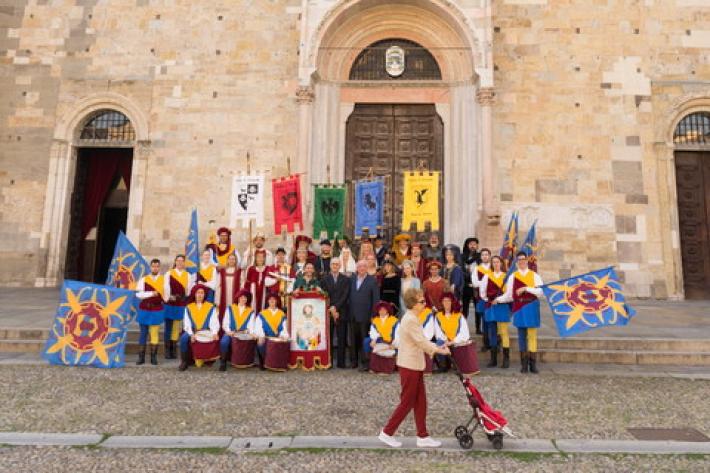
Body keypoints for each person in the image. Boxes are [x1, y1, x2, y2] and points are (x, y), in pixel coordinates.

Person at [379, 288, 450, 449]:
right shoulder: (410, 319)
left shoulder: (413, 317)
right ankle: (387, 432)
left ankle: (422, 436)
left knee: (420, 401)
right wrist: (440, 351)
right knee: (407, 402)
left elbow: (422, 339)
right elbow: (421, 342)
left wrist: (437, 345)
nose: (425, 303)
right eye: (422, 301)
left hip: (414, 364)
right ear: (413, 304)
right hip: (409, 365)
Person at [495, 252, 544, 374]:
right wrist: (498, 299)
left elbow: (540, 292)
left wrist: (526, 288)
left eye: (523, 259)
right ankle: (524, 364)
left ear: (527, 261)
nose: (521, 261)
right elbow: (509, 295)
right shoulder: (513, 276)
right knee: (521, 336)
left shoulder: (534, 275)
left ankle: (533, 364)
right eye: (519, 260)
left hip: (531, 307)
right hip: (519, 308)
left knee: (532, 335)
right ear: (516, 262)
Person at [479, 255, 511, 369]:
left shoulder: (506, 276)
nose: (496, 264)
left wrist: (499, 299)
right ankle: (493, 360)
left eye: (498, 262)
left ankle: (506, 359)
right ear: (492, 264)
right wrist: (489, 300)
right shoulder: (487, 276)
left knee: (504, 332)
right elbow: (482, 292)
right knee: (492, 332)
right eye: (494, 262)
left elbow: (509, 293)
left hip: (503, 306)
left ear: (501, 263)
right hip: (491, 306)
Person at [178, 284, 220, 371]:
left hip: (206, 330)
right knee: (184, 338)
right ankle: (184, 361)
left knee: (214, 338)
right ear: (194, 294)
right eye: (198, 293)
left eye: (202, 293)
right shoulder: (189, 307)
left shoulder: (210, 307)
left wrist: (214, 332)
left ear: (204, 295)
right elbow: (187, 323)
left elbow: (214, 321)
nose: (200, 295)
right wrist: (191, 334)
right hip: (193, 330)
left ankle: (206, 359)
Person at [349, 260, 380, 371]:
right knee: (353, 340)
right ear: (357, 268)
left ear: (367, 268)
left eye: (364, 266)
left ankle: (365, 362)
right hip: (352, 314)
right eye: (359, 266)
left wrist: (374, 314)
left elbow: (376, 299)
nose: (361, 268)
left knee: (364, 339)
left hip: (365, 315)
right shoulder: (352, 279)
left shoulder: (372, 280)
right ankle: (354, 361)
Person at [163, 255, 194, 360]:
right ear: (175, 262)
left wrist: (184, 297)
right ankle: (167, 350)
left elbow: (189, 291)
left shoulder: (188, 275)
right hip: (170, 302)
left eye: (182, 261)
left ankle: (174, 349)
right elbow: (165, 287)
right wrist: (169, 297)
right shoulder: (169, 273)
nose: (180, 263)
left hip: (180, 303)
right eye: (178, 260)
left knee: (176, 327)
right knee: (168, 326)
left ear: (184, 263)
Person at [320, 258, 350, 368]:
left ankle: (341, 363)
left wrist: (335, 307)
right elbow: (323, 295)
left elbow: (345, 295)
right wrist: (331, 308)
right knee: (328, 338)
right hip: (328, 312)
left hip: (342, 311)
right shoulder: (324, 279)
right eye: (333, 264)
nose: (335, 266)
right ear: (330, 265)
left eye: (337, 264)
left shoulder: (346, 279)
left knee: (342, 338)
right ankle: (328, 362)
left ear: (340, 265)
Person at [135, 258, 165, 365]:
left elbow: (166, 294)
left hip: (157, 309)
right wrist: (151, 293)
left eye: (157, 266)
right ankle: (141, 357)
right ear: (150, 267)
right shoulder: (144, 279)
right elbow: (138, 294)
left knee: (154, 333)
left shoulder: (164, 280)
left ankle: (153, 357)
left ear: (159, 267)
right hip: (145, 309)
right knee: (143, 333)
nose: (155, 268)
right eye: (153, 266)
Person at [218, 289, 255, 371]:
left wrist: (250, 332)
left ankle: (243, 361)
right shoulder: (230, 308)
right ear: (238, 298)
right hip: (231, 332)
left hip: (243, 333)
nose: (243, 299)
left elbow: (251, 325)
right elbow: (225, 322)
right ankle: (223, 362)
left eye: (245, 298)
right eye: (241, 297)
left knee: (249, 341)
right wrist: (228, 331)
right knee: (224, 342)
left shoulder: (250, 311)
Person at [433, 292, 470, 373]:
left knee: (461, 344)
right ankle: (443, 366)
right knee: (439, 342)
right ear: (442, 302)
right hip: (445, 342)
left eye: (448, 301)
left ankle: (458, 364)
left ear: (452, 302)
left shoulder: (459, 316)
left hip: (457, 341)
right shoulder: (438, 316)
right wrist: (445, 340)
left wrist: (453, 341)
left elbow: (464, 333)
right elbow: (438, 332)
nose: (446, 303)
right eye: (444, 301)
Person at [253, 293, 289, 369]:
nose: (272, 301)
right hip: (266, 337)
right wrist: (261, 336)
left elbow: (284, 327)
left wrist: (283, 335)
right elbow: (258, 327)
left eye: (274, 299)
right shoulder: (262, 314)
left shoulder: (282, 314)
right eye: (270, 299)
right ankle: (263, 361)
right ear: (268, 301)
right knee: (260, 345)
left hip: (278, 338)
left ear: (277, 301)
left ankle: (276, 363)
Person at [244, 249, 278, 314]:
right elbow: (247, 284)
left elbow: (270, 281)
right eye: (258, 257)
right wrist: (246, 295)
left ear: (264, 258)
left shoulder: (268, 268)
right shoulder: (251, 269)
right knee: (252, 308)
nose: (260, 259)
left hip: (264, 292)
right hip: (253, 292)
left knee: (263, 308)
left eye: (262, 257)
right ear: (255, 258)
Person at [472, 248, 493, 346]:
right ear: (480, 257)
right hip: (482, 297)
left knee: (493, 320)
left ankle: (495, 343)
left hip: (493, 297)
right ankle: (486, 343)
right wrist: (487, 283)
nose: (485, 256)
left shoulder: (493, 267)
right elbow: (475, 283)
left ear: (489, 256)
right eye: (483, 255)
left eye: (487, 254)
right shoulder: (477, 268)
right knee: (484, 319)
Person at [215, 253, 241, 322]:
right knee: (224, 313)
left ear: (236, 260)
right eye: (230, 259)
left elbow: (242, 285)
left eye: (233, 259)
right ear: (227, 260)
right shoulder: (222, 271)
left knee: (234, 314)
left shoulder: (239, 271)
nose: (231, 261)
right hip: (224, 297)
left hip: (235, 297)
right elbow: (218, 285)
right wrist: (217, 299)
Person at [461, 237, 481, 320]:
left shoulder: (480, 256)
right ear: (467, 245)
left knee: (478, 308)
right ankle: (463, 325)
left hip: (477, 285)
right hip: (466, 284)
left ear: (477, 246)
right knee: (465, 308)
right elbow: (461, 270)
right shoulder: (462, 257)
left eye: (474, 244)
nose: (473, 246)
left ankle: (478, 326)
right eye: (471, 244)